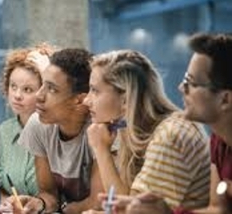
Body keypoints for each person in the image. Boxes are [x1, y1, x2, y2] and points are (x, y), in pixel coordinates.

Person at [111, 33, 232, 214]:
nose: (181, 89)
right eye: (184, 80)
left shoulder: (173, 133)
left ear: (225, 99)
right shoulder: (220, 139)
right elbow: (218, 210)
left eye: (191, 83)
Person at [82, 49, 210, 212]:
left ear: (126, 99)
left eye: (95, 90)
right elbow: (128, 202)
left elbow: (130, 211)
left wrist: (101, 149)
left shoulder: (169, 136)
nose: (86, 100)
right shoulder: (131, 128)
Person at [7, 48, 104, 214]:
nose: (39, 95)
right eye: (43, 84)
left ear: (79, 100)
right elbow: (49, 194)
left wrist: (63, 210)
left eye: (51, 89)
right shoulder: (37, 124)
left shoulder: (101, 129)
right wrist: (38, 204)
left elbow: (98, 202)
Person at [0, 48, 43, 202]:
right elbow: (2, 186)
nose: (17, 95)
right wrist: (6, 203)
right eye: (13, 86)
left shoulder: (57, 130)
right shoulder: (4, 131)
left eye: (27, 89)